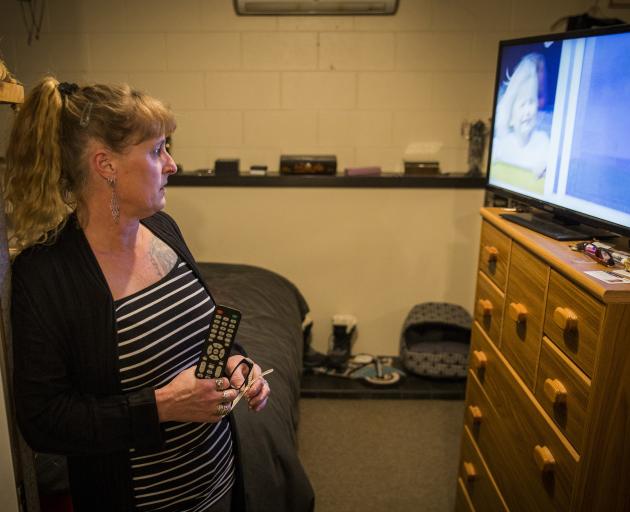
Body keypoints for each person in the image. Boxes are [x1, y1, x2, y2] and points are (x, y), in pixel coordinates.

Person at [3, 76, 270, 511]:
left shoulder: (162, 228)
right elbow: (44, 421)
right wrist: (163, 406)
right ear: (105, 164)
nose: (171, 165)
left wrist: (235, 360)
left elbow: (203, 333)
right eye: (155, 151)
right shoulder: (45, 274)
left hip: (218, 480)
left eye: (168, 149)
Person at [491, 53, 550, 179]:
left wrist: (545, 167)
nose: (527, 111)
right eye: (522, 105)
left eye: (531, 102)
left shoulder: (543, 141)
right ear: (510, 117)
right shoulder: (501, 144)